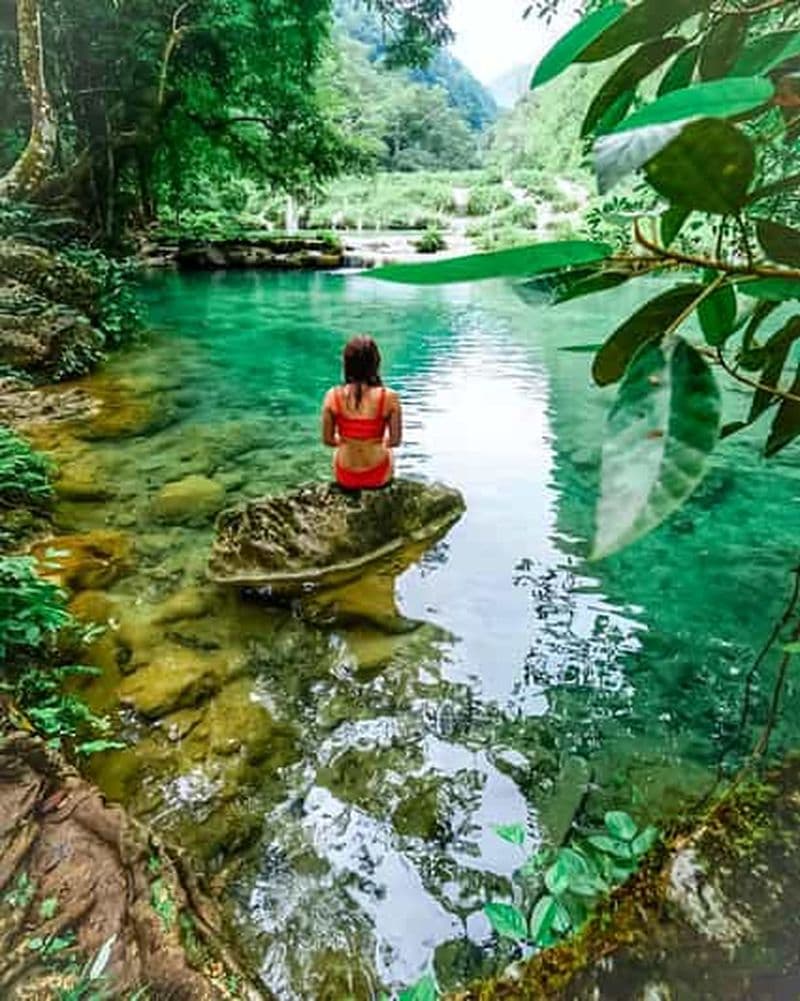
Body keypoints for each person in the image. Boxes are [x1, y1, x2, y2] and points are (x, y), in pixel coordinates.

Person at [322, 335, 402, 490]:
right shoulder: (389, 397)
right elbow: (395, 441)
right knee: (388, 452)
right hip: (378, 475)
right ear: (375, 363)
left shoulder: (332, 396)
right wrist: (372, 440)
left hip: (345, 476)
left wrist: (348, 440)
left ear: (347, 364)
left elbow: (328, 440)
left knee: (339, 453)